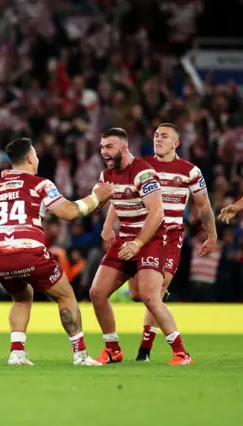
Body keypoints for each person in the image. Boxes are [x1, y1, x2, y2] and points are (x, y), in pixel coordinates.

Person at [0, 138, 113, 366]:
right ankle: (80, 355)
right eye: (35, 155)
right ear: (29, 158)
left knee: (22, 298)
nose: (37, 159)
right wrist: (97, 197)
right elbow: (68, 212)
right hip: (28, 249)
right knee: (65, 295)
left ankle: (17, 354)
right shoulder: (41, 184)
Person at [102, 123, 216, 361]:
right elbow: (120, 196)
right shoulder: (141, 166)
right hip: (138, 232)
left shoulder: (190, 171)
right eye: (155, 135)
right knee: (137, 294)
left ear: (176, 143)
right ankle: (150, 339)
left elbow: (203, 205)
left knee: (154, 291)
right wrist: (108, 224)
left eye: (164, 136)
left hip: (170, 236)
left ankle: (146, 349)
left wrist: (212, 234)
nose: (158, 139)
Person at [90, 127, 192, 366]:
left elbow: (157, 213)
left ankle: (181, 353)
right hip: (125, 239)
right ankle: (112, 349)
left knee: (149, 297)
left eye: (109, 147)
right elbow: (100, 205)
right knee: (97, 293)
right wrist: (99, 204)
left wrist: (138, 243)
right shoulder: (106, 175)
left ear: (124, 148)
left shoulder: (143, 173)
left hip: (150, 240)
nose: (104, 152)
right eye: (102, 147)